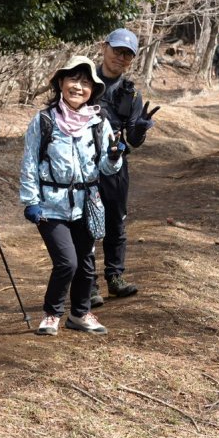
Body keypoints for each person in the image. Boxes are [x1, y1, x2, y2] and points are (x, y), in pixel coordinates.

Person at [20, 55, 123, 336]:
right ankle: (52, 314)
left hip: (87, 203)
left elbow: (106, 168)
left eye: (86, 82)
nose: (78, 87)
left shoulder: (99, 122)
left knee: (86, 263)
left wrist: (115, 157)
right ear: (61, 83)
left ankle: (79, 314)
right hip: (50, 206)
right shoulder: (43, 121)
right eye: (73, 79)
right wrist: (31, 201)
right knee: (67, 262)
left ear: (93, 90)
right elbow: (29, 162)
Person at [92, 28, 158, 303]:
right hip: (82, 165)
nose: (120, 58)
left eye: (127, 55)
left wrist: (139, 130)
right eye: (117, 50)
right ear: (104, 47)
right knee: (84, 224)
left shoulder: (130, 94)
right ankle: (88, 285)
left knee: (115, 222)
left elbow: (133, 140)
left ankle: (115, 277)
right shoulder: (84, 81)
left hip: (116, 166)